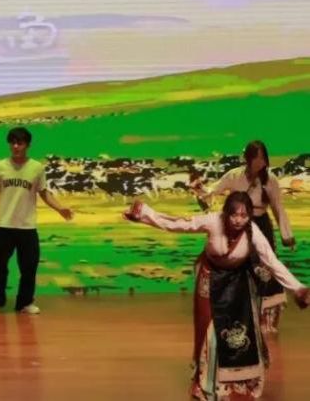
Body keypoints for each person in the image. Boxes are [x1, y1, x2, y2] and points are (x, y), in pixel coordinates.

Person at [124, 193, 309, 400]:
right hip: (210, 277)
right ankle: (208, 382)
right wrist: (145, 214)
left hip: (236, 282)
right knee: (210, 331)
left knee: (237, 330)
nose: (238, 220)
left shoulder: (252, 231)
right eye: (234, 215)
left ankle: (238, 383)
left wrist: (298, 288)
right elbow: (178, 224)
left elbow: (272, 262)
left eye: (244, 216)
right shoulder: (213, 221)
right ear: (225, 213)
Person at [0, 127, 72, 315]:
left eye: (20, 143)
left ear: (27, 145)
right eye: (13, 142)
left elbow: (44, 193)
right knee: (0, 267)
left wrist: (60, 208)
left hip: (27, 227)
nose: (16, 146)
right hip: (5, 226)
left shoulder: (36, 168)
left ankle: (25, 303)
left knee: (29, 268)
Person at [193, 141, 295, 332]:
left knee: (266, 267)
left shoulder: (270, 180)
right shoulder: (234, 175)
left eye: (263, 158)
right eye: (256, 157)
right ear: (248, 158)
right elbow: (214, 190)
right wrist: (201, 190)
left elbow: (277, 207)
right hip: (238, 226)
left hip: (261, 224)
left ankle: (267, 318)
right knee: (235, 267)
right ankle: (234, 315)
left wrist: (287, 235)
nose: (260, 161)